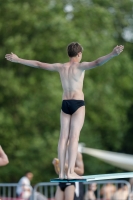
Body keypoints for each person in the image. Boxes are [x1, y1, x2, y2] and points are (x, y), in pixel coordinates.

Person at [5, 43, 124, 179]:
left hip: (65, 104)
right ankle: (71, 172)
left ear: (68, 54)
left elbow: (38, 64)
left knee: (63, 138)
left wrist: (18, 59)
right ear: (79, 54)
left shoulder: (61, 67)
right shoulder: (80, 66)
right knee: (74, 138)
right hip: (78, 103)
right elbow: (97, 63)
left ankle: (62, 172)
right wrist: (112, 54)